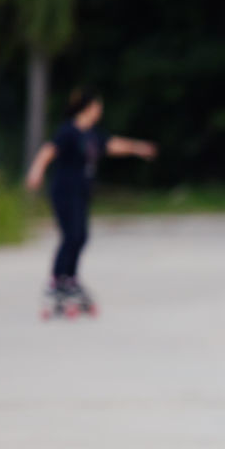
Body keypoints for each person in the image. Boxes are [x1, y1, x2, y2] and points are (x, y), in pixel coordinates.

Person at [25, 89, 156, 316]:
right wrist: (36, 171)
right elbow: (49, 150)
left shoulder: (92, 133)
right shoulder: (69, 131)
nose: (100, 111)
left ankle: (71, 279)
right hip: (64, 191)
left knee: (82, 236)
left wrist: (137, 148)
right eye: (98, 107)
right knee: (71, 235)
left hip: (81, 192)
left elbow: (112, 144)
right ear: (88, 108)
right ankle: (57, 282)